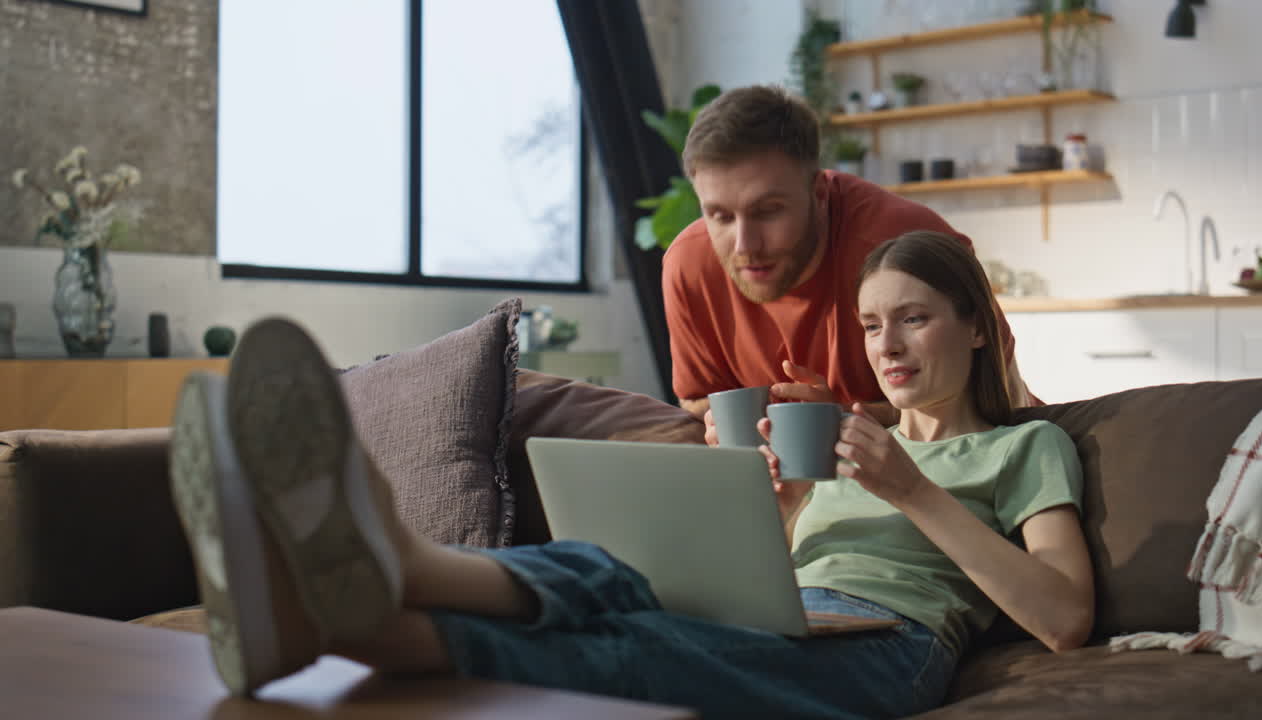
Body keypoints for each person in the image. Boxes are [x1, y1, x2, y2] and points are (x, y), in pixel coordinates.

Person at [168, 230, 1091, 719]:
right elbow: (772, 588)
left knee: (633, 653)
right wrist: (779, 504)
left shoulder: (1022, 447)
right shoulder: (849, 438)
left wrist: (915, 492)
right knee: (605, 574)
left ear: (977, 326)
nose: (886, 344)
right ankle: (337, 604)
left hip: (893, 648)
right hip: (797, 615)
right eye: (872, 324)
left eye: (915, 319)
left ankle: (361, 584)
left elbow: (1063, 618)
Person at [662, 85, 1035, 437]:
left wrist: (846, 422)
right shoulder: (689, 264)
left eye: (769, 211)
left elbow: (1003, 398)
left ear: (819, 191)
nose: (744, 245)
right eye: (720, 216)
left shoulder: (902, 241)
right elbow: (697, 403)